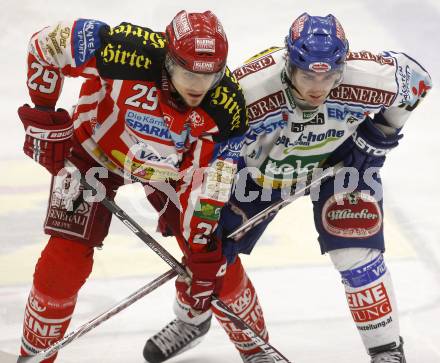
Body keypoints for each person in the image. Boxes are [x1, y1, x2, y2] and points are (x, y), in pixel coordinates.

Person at [144, 12, 432, 363]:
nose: (318, 87)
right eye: (308, 74)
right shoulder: (247, 92)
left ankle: (387, 350)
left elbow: (417, 81)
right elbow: (210, 155)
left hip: (334, 165)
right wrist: (196, 205)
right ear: (288, 63)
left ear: (342, 66)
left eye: (329, 75)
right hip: (255, 178)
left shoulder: (367, 77)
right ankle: (198, 322)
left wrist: (378, 136)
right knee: (208, 254)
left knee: (354, 247)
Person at [17, 10, 248, 362]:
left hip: (170, 173)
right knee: (64, 259)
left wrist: (201, 240)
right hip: (92, 152)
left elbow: (210, 181)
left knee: (217, 260)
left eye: (211, 75)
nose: (198, 86)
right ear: (169, 59)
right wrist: (43, 116)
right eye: (188, 72)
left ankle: (255, 350)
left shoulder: (227, 107)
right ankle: (33, 356)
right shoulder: (125, 49)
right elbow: (46, 45)